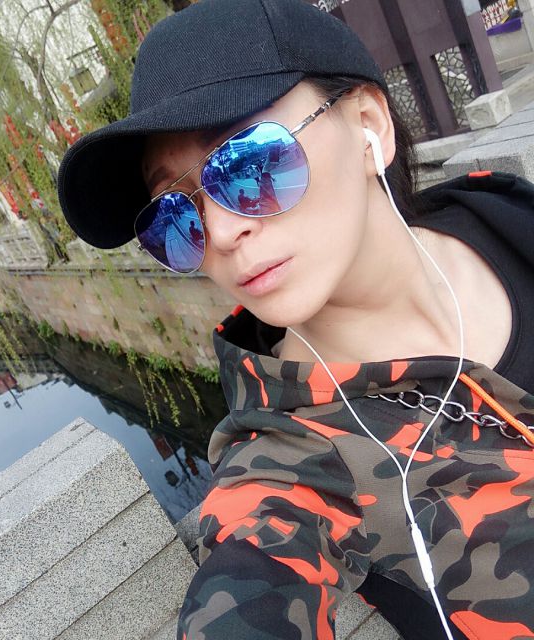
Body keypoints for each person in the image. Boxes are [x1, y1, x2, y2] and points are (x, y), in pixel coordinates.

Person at [57, 1, 534, 638]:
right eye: (175, 214)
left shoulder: (502, 215)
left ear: (368, 125)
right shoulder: (289, 462)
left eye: (249, 164)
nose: (220, 231)